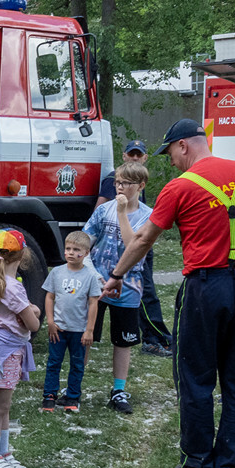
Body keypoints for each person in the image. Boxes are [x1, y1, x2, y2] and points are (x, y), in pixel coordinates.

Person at [102, 118, 235, 468]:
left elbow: (143, 239)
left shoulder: (181, 186)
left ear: (184, 145)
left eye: (170, 152)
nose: (171, 161)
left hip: (205, 288)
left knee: (195, 378)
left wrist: (117, 275)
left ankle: (199, 464)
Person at [83, 161, 151, 415]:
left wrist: (122, 212)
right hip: (97, 284)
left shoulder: (148, 215)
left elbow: (134, 246)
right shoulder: (103, 210)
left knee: (123, 340)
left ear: (140, 186)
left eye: (126, 183)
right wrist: (94, 276)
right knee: (86, 335)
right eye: (118, 182)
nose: (120, 188)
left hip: (129, 286)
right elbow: (85, 241)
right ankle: (76, 384)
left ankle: (119, 390)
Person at [0, 230, 41, 468]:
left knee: (3, 406)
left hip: (4, 349)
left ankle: (2, 453)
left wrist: (30, 310)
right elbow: (33, 324)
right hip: (5, 352)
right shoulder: (13, 287)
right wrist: (34, 311)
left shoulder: (2, 280)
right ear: (23, 255)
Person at [98, 139, 172, 355]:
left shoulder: (139, 181)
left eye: (139, 155)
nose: (135, 158)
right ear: (124, 156)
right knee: (145, 293)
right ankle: (155, 339)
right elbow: (101, 211)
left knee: (146, 292)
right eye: (132, 154)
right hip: (123, 252)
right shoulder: (115, 179)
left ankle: (154, 338)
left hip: (142, 243)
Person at [41, 231, 102, 413]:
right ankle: (49, 396)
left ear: (86, 253)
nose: (71, 253)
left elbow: (93, 303)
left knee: (77, 364)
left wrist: (89, 330)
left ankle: (73, 397)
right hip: (58, 329)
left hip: (79, 330)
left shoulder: (90, 276)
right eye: (68, 248)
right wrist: (50, 321)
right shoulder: (56, 272)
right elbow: (49, 297)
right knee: (54, 362)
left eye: (76, 250)